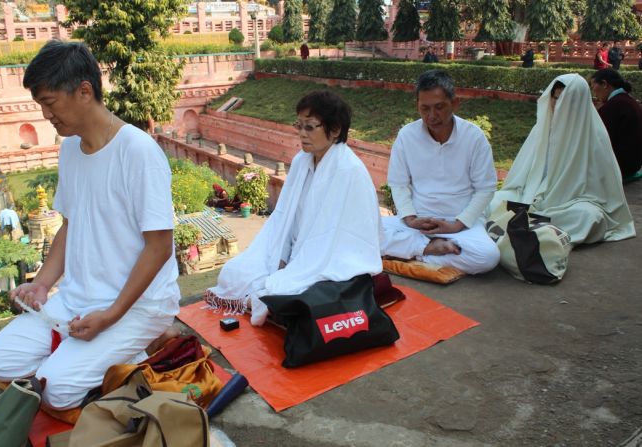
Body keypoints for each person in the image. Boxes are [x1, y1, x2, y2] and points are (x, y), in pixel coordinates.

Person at [0, 41, 180, 409]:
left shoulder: (137, 151)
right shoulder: (71, 149)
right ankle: (103, 353)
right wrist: (41, 285)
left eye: (50, 102)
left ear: (84, 91)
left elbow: (159, 247)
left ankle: (143, 340)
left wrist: (111, 315)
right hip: (79, 297)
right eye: (41, 105)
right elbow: (70, 227)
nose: (45, 115)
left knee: (55, 391)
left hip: (135, 304)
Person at [205, 90, 381, 326]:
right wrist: (281, 255)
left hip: (329, 259)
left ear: (335, 129)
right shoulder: (301, 160)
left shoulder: (349, 171)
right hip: (295, 253)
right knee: (233, 272)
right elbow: (284, 217)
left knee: (283, 288)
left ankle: (262, 301)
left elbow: (336, 238)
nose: (302, 134)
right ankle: (261, 298)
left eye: (310, 127)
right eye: (298, 126)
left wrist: (296, 266)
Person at [489, 74, 635, 246]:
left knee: (588, 217)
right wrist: (533, 193)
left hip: (572, 202)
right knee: (492, 201)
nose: (559, 105)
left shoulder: (594, 134)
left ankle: (529, 226)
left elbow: (602, 189)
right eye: (556, 98)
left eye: (566, 100)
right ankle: (536, 227)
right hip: (532, 195)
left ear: (579, 102)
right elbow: (524, 173)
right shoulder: (542, 129)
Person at [380, 70, 500, 275]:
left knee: (488, 257)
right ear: (417, 106)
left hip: (460, 226)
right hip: (416, 224)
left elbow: (485, 189)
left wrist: (456, 225)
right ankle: (428, 249)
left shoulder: (474, 138)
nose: (432, 116)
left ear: (455, 103)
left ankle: (411, 251)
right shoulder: (407, 136)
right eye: (424, 108)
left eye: (439, 107)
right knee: (359, 230)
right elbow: (398, 184)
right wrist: (410, 218)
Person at [590, 69, 642, 179]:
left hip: (620, 167)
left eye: (593, 86)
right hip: (633, 164)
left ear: (604, 84)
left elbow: (599, 140)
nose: (593, 91)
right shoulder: (628, 101)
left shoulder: (615, 105)